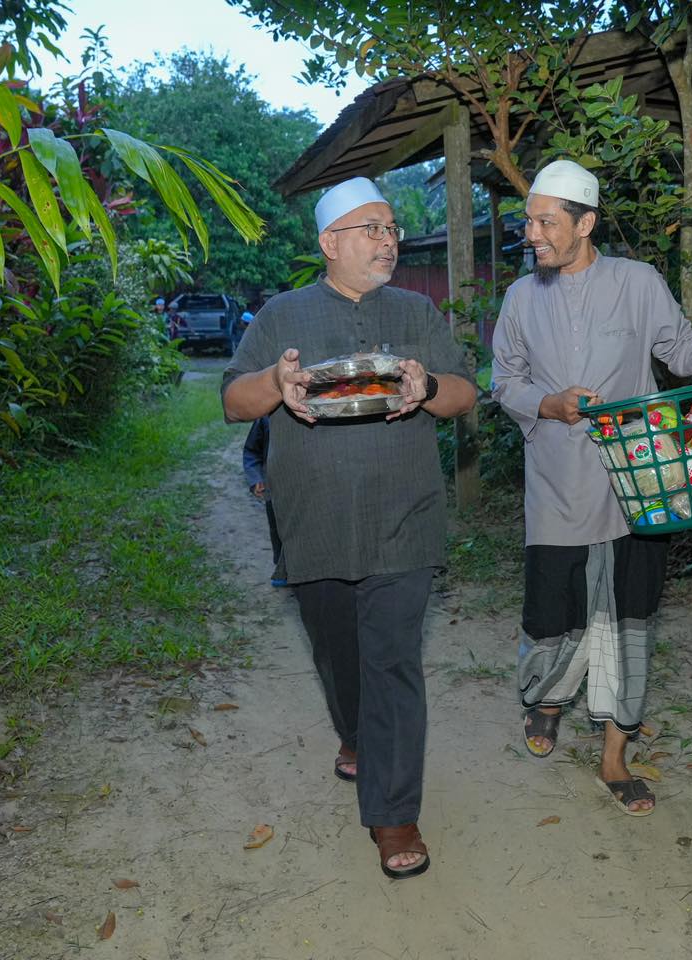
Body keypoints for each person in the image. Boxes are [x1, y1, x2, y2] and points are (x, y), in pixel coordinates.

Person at [221, 177, 477, 878]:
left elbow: (462, 392)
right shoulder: (281, 316)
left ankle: (393, 817)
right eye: (372, 229)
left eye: (391, 229)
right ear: (330, 243)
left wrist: (427, 389)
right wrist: (276, 383)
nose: (388, 240)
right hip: (316, 527)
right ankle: (355, 735)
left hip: (406, 518)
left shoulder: (417, 313)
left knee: (393, 662)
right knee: (340, 658)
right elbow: (233, 401)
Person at [491, 159, 692, 816]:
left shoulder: (637, 283)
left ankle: (613, 759)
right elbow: (504, 381)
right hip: (558, 484)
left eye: (546, 222)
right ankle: (546, 702)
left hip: (637, 485)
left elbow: (679, 346)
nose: (532, 233)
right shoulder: (521, 299)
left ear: (586, 223)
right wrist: (550, 405)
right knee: (553, 618)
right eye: (530, 221)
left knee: (628, 618)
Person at [241, 415, 286, 587]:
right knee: (278, 527)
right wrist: (256, 478)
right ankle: (281, 568)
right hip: (274, 486)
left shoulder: (320, 408)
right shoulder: (266, 416)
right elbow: (252, 451)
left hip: (308, 485)